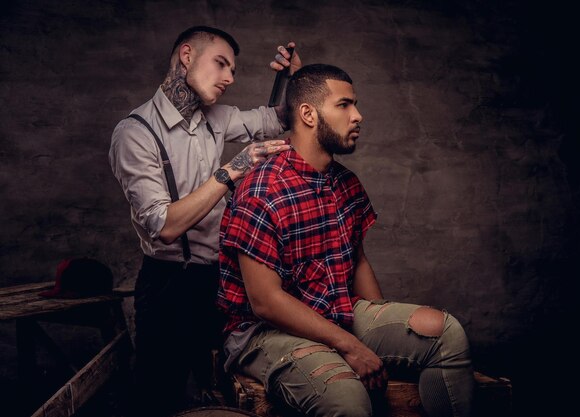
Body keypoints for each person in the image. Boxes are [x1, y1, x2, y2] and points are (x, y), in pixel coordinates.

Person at [217, 64, 474, 417]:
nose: (358, 115)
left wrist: (380, 336)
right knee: (347, 399)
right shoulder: (262, 189)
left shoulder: (344, 183)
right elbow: (265, 302)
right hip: (263, 333)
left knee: (445, 332)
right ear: (308, 114)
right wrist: (352, 347)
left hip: (332, 310)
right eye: (344, 105)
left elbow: (357, 261)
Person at [109, 26, 299, 416]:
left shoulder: (217, 117)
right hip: (167, 286)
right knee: (160, 396)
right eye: (221, 63)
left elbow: (280, 118)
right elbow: (163, 225)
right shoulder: (135, 133)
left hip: (220, 281)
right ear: (186, 55)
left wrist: (292, 76)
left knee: (226, 392)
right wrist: (235, 168)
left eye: (233, 68)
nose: (230, 77)